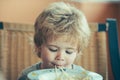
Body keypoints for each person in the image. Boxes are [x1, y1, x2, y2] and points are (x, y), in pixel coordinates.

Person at [18, 2, 103, 80]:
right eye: (53, 49)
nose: (60, 57)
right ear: (38, 45)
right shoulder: (27, 76)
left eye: (69, 52)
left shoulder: (82, 76)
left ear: (78, 52)